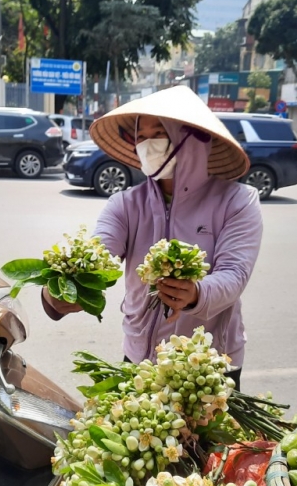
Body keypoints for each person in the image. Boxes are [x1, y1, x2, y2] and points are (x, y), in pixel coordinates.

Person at [41, 87, 262, 388]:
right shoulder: (125, 204)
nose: (148, 144)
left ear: (194, 138)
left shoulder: (237, 201)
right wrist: (66, 287)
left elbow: (234, 275)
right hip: (140, 360)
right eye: (140, 136)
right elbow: (100, 251)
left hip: (208, 366)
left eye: (159, 132)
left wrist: (195, 293)